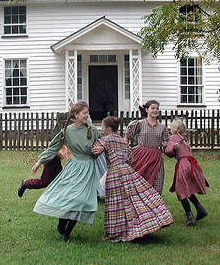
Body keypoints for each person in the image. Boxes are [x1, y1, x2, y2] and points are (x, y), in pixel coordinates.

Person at [92, 116, 173, 242]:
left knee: (116, 203)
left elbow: (94, 152)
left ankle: (116, 232)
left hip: (114, 173)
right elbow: (130, 159)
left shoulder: (105, 140)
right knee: (135, 199)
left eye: (102, 127)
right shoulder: (123, 141)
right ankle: (146, 223)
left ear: (108, 129)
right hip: (128, 172)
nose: (102, 130)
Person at [31, 102, 100, 242]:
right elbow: (53, 147)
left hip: (88, 167)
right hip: (74, 167)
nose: (87, 115)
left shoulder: (92, 130)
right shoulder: (68, 131)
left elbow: (101, 145)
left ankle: (67, 233)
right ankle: (62, 222)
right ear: (76, 115)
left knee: (80, 200)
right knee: (68, 196)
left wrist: (100, 150)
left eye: (87, 113)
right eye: (84, 113)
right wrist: (39, 162)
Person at [165, 119, 209, 226]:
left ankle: (190, 218)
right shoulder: (184, 138)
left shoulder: (173, 138)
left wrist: (165, 147)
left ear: (174, 130)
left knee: (181, 190)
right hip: (191, 164)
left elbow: (169, 151)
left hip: (183, 165)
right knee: (187, 189)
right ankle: (200, 209)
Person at [125, 100, 169, 194]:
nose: (155, 110)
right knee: (138, 181)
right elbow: (127, 136)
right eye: (152, 108)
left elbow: (166, 142)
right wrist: (126, 150)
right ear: (147, 110)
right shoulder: (139, 124)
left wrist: (170, 146)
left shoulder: (162, 127)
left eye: (157, 108)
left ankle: (154, 206)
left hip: (156, 157)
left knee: (157, 182)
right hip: (141, 156)